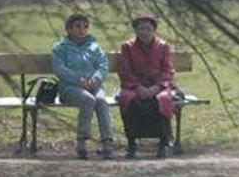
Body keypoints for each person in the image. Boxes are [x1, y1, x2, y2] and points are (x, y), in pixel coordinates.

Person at [51, 13, 115, 159]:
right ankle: (82, 141)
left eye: (85, 26)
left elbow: (103, 65)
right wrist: (78, 80)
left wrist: (96, 79)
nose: (82, 29)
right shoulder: (60, 48)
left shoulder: (94, 46)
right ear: (69, 29)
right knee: (88, 99)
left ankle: (107, 142)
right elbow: (59, 69)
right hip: (70, 88)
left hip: (94, 85)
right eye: (78, 26)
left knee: (100, 100)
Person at [116, 15, 176, 159]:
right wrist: (138, 87)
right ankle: (131, 143)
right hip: (134, 86)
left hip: (158, 86)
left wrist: (156, 87)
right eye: (141, 28)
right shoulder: (127, 47)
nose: (144, 32)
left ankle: (163, 143)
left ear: (154, 30)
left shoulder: (163, 46)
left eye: (148, 28)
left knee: (162, 100)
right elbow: (125, 70)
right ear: (136, 31)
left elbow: (167, 70)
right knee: (127, 98)